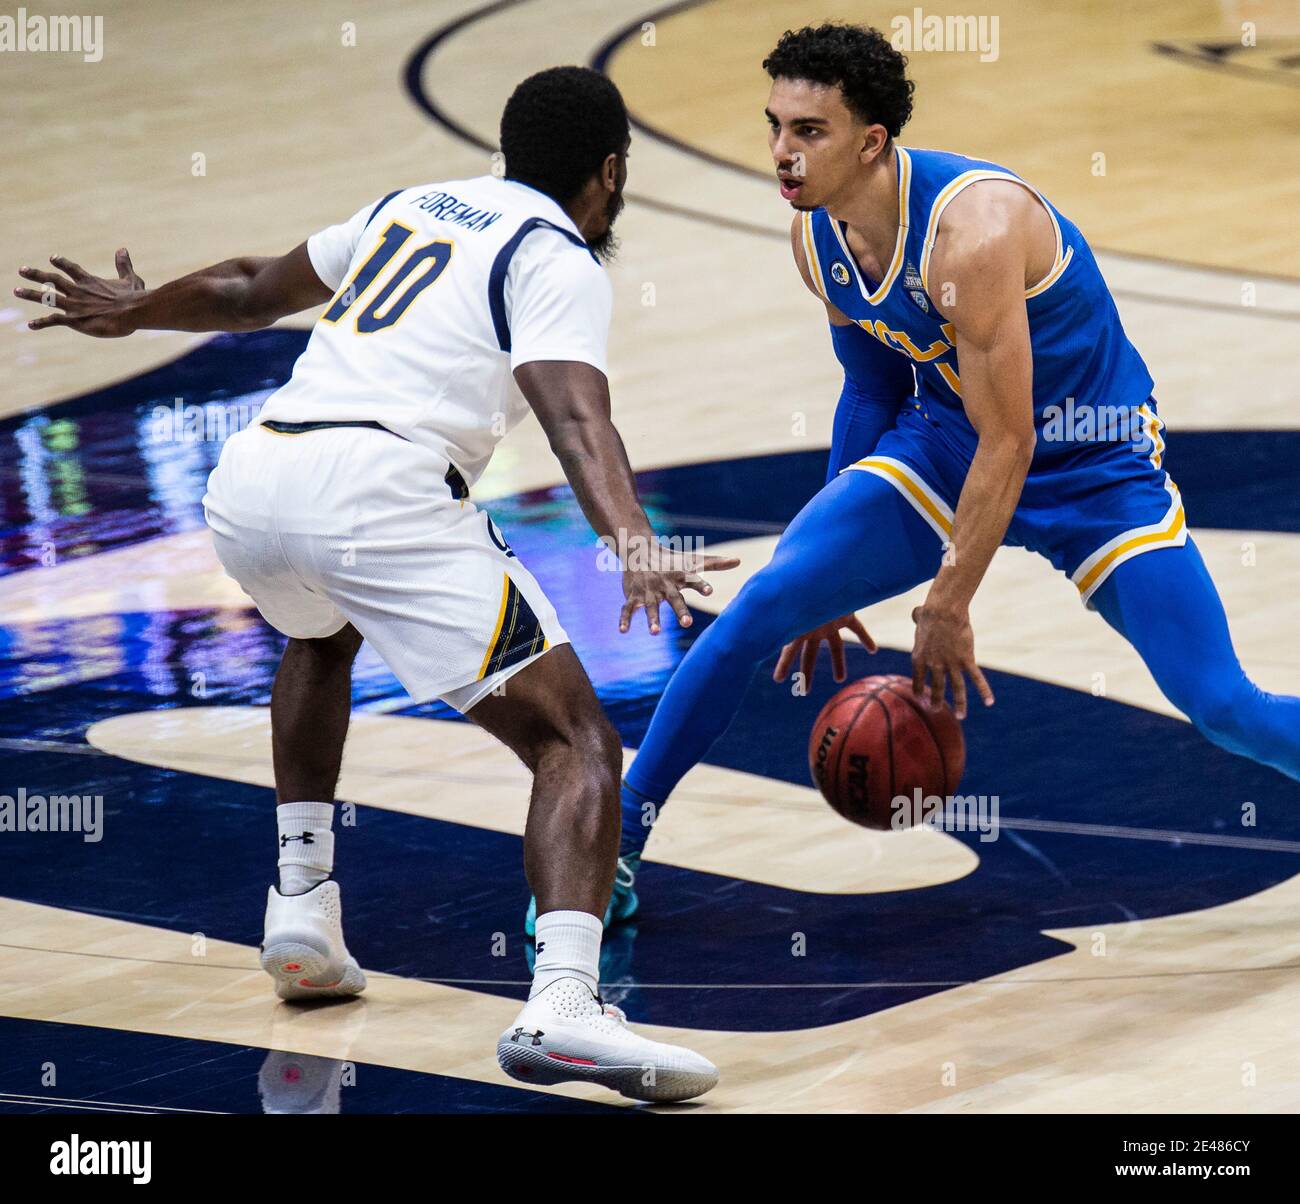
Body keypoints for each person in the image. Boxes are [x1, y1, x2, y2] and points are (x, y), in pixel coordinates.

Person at [14, 65, 733, 1104]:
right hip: (379, 494)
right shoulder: (557, 256)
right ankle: (566, 1005)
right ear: (608, 175)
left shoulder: (415, 206)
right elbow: (577, 415)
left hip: (256, 479)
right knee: (575, 741)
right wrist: (626, 536)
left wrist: (137, 312)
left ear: (505, 149)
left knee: (319, 635)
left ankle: (301, 904)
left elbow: (251, 287)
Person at [600, 22, 1300, 921]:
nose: (781, 152)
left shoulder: (971, 232)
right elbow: (872, 385)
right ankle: (616, 838)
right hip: (947, 442)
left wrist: (946, 604)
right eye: (774, 124)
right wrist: (830, 564)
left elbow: (1011, 442)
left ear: (871, 141)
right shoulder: (818, 236)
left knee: (1220, 705)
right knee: (762, 610)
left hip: (1090, 465)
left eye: (809, 132)